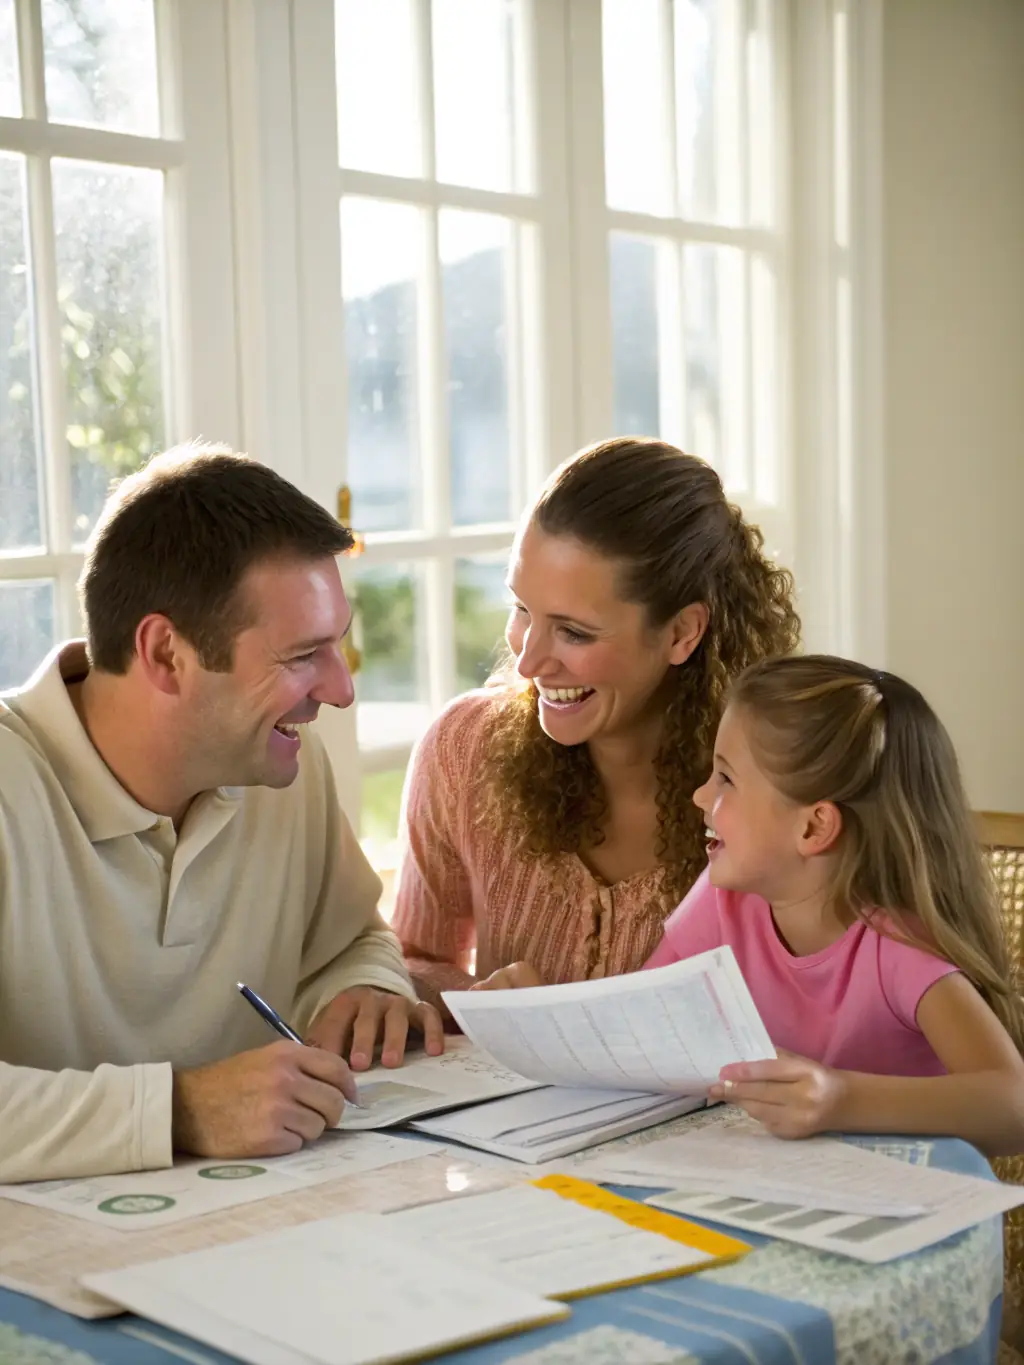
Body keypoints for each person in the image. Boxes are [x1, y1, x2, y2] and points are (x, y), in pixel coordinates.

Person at [0, 444, 443, 1184]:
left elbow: (347, 939)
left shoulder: (279, 765)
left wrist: (365, 987)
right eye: (302, 655)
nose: (341, 690)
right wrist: (180, 1110)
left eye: (339, 643)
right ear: (165, 653)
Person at [482, 656, 1024, 1157]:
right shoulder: (724, 901)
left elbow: (1014, 1107)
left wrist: (840, 1099)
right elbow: (641, 1030)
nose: (699, 796)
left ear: (813, 827)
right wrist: (543, 1018)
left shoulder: (898, 948)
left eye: (726, 779)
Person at [391, 438, 800, 1007]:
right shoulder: (463, 749)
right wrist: (481, 1001)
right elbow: (414, 962)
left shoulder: (783, 794)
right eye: (521, 610)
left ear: (682, 633)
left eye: (574, 632)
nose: (528, 663)